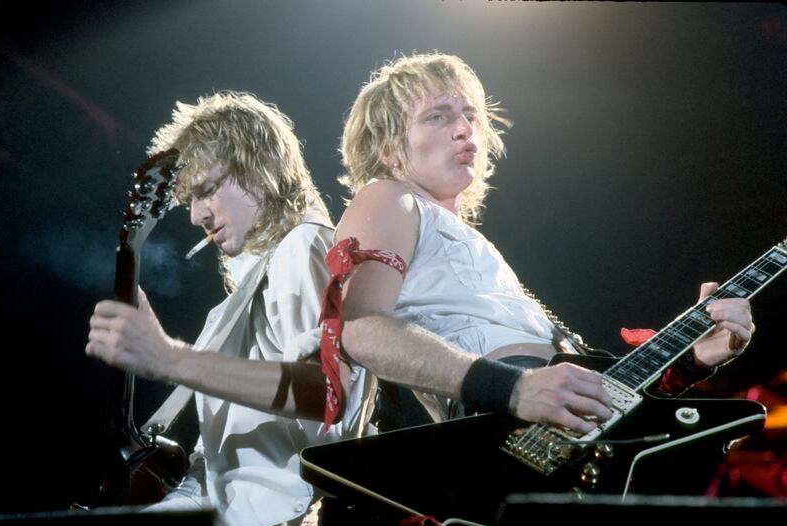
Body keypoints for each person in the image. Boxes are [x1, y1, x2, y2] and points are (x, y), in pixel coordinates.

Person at [320, 52, 755, 437]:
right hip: (501, 413)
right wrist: (514, 388)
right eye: (437, 116)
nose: (464, 129)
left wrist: (691, 361)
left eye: (470, 115)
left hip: (555, 414)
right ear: (388, 149)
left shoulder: (466, 241)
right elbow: (362, 329)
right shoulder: (390, 196)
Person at [86, 91, 374, 526]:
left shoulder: (302, 246)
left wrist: (168, 357)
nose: (198, 214)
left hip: (268, 518)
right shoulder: (244, 293)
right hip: (227, 509)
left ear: (258, 168)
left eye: (208, 190)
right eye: (190, 202)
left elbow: (329, 401)